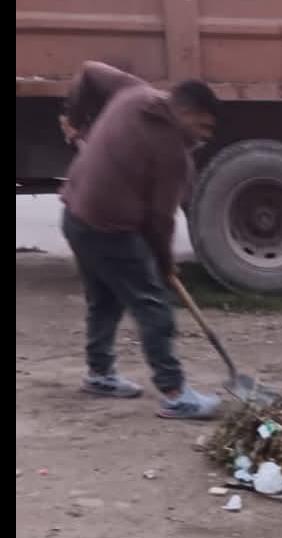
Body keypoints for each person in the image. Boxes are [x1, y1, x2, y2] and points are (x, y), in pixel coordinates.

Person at [58, 61, 222, 419]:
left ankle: (99, 374)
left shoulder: (134, 90)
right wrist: (164, 265)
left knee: (104, 297)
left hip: (74, 214)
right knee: (153, 305)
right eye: (202, 126)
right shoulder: (174, 154)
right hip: (107, 227)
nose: (202, 137)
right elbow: (160, 221)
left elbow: (87, 71)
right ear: (186, 111)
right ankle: (176, 393)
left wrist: (76, 119)